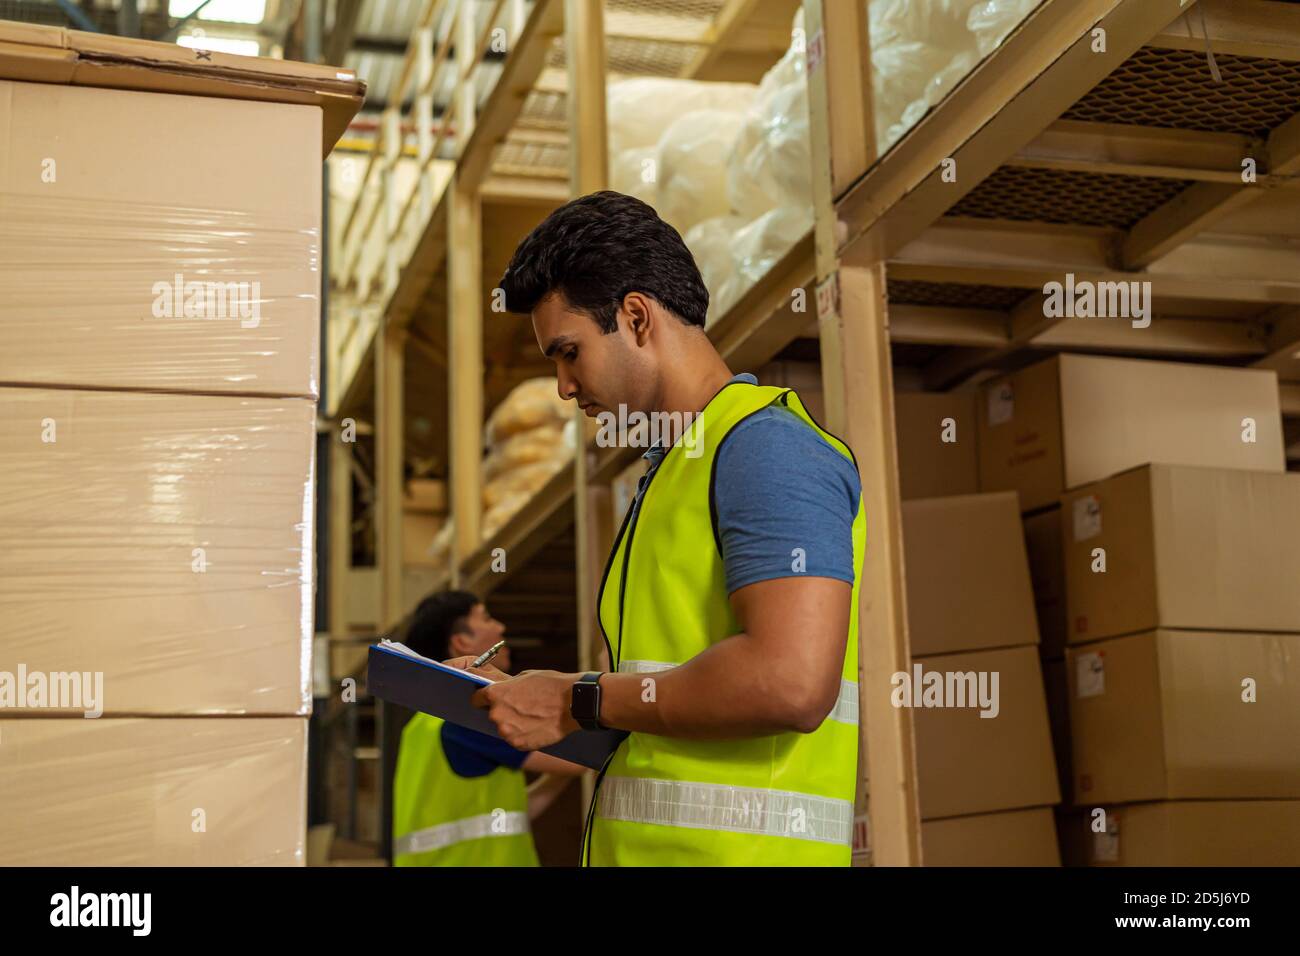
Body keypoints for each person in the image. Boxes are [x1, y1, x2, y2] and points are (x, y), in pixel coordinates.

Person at [460, 190, 866, 866]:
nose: (563, 386)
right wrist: (542, 699)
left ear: (637, 317)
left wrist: (581, 698)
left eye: (569, 352)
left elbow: (790, 682)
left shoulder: (765, 449)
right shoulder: (676, 469)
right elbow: (658, 708)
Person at [391, 590, 582, 866]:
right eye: (487, 618)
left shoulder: (423, 724)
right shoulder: (469, 719)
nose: (500, 627)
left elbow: (509, 816)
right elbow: (576, 758)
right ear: (460, 642)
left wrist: (559, 775)